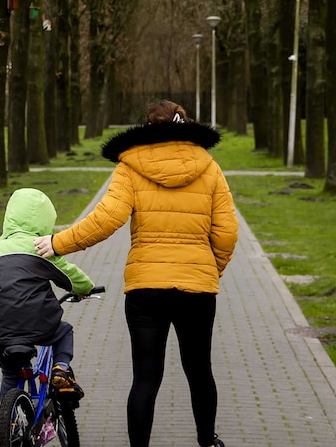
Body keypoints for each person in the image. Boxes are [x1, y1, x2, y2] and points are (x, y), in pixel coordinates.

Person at [34, 100, 237, 447]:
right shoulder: (209, 167)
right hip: (198, 290)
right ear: (184, 125)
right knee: (200, 371)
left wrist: (58, 243)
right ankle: (207, 442)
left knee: (146, 377)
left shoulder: (130, 166)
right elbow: (227, 232)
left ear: (146, 129)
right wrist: (209, 269)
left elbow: (106, 220)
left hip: (146, 290)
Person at [0, 187, 97, 401]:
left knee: (10, 374)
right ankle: (61, 368)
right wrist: (86, 289)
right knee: (64, 330)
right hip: (41, 325)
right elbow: (71, 277)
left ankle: (10, 427)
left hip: (2, 329)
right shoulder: (41, 248)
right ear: (46, 219)